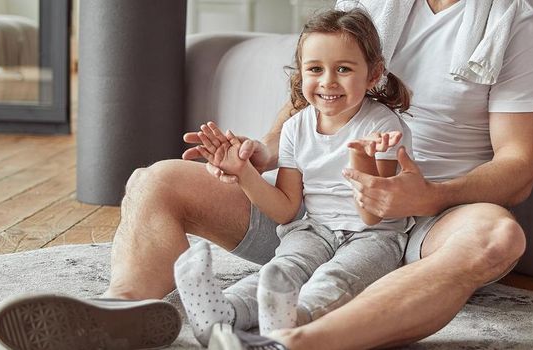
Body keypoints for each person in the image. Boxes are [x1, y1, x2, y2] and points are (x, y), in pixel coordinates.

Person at [0, 0, 533, 349]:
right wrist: (256, 156)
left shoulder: (519, 23)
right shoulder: (374, 4)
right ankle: (126, 312)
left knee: (498, 234)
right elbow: (309, 108)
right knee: (154, 179)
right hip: (311, 214)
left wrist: (427, 193)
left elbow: (517, 170)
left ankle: (297, 339)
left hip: (426, 221)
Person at [173, 8, 416, 346]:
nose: (328, 81)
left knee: (335, 278)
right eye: (315, 69)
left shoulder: (383, 126)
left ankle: (292, 324)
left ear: (373, 74)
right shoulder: (295, 127)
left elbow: (374, 215)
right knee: (282, 268)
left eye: (343, 69)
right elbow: (287, 209)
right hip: (315, 229)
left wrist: (361, 155)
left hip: (374, 238)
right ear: (301, 75)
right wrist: (243, 172)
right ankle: (220, 313)